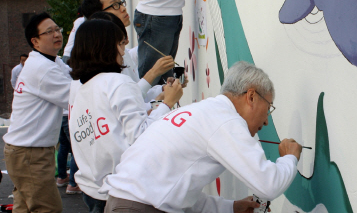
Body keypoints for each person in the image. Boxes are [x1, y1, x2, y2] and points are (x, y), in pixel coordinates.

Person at [102, 61, 303, 213]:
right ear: (251, 96)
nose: (266, 121)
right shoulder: (226, 120)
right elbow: (268, 185)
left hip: (122, 203)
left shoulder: (205, 111)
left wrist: (231, 207)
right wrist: (289, 158)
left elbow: (177, 191)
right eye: (268, 108)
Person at [68, 19, 184, 213]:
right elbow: (141, 136)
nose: (123, 52)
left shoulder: (82, 89)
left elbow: (117, 127)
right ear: (104, 46)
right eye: (120, 44)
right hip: (120, 192)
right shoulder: (118, 82)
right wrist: (168, 103)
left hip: (92, 189)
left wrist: (158, 102)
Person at [3, 12, 71, 213]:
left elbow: (71, 76)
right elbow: (75, 96)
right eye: (48, 32)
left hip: (23, 150)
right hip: (30, 152)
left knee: (24, 207)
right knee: (47, 208)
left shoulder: (50, 61)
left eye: (57, 29)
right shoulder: (43, 68)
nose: (56, 34)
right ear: (35, 41)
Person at [89, 12, 176, 107]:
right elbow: (134, 104)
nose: (122, 9)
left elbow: (139, 98)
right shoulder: (108, 79)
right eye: (120, 42)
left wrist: (164, 90)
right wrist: (153, 73)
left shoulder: (124, 55)